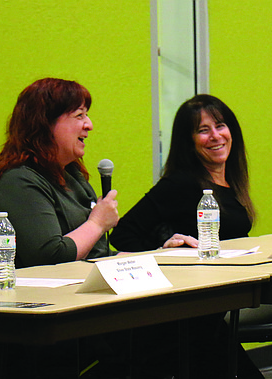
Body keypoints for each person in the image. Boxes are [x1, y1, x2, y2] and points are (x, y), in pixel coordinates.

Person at [110, 94, 263, 379]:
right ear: (189, 141)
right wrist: (162, 250)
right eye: (203, 130)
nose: (215, 136)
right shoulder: (182, 183)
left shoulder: (231, 180)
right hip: (190, 316)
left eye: (220, 126)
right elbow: (123, 233)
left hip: (220, 305)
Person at [0, 77, 119, 268]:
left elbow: (100, 255)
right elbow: (50, 257)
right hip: (39, 296)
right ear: (45, 123)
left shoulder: (72, 176)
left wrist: (160, 256)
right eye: (79, 115)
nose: (89, 125)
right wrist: (97, 224)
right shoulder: (18, 182)